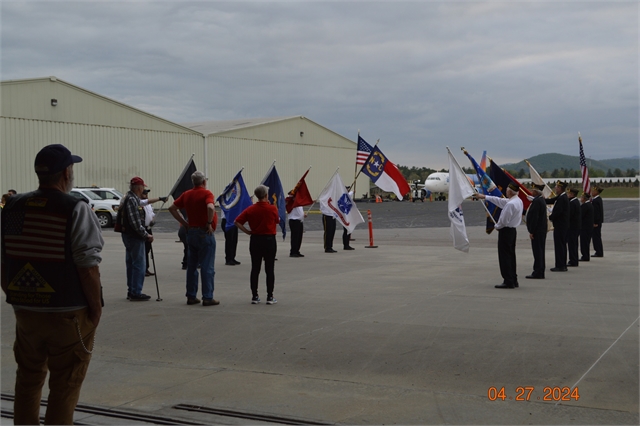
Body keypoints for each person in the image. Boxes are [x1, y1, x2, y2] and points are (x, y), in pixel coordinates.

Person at [1, 144, 103, 424]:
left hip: (25, 313)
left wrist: (18, 298)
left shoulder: (12, 206)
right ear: (67, 172)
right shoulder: (75, 208)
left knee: (28, 380)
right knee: (65, 385)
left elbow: (4, 259)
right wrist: (95, 310)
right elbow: (87, 267)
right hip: (67, 314)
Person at [168, 171, 219, 306]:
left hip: (191, 232)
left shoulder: (187, 194)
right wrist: (208, 222)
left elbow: (172, 208)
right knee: (207, 266)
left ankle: (191, 295)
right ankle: (207, 296)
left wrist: (185, 223)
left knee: (192, 266)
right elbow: (210, 207)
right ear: (204, 182)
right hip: (204, 232)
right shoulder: (207, 194)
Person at [235, 185, 280, 304]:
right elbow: (277, 220)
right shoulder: (272, 209)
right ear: (266, 196)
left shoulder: (250, 209)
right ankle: (270, 296)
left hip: (255, 239)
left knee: (255, 268)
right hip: (269, 239)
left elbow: (237, 222)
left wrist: (248, 232)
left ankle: (255, 295)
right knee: (269, 269)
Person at [474, 182, 523, 289]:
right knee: (511, 256)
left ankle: (508, 281)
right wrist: (484, 197)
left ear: (509, 191)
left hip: (505, 231)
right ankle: (513, 279)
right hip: (512, 231)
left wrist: (497, 226)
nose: (505, 191)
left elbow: (503, 221)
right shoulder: (517, 201)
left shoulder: (510, 204)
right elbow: (500, 201)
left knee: (504, 256)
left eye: (507, 190)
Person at [121, 177, 154, 301]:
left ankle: (132, 290)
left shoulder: (130, 198)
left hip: (128, 236)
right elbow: (135, 222)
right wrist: (146, 234)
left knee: (131, 263)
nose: (143, 190)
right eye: (143, 188)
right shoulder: (132, 200)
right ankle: (136, 292)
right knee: (139, 264)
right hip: (134, 236)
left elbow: (143, 203)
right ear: (139, 188)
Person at [140, 189, 168, 276]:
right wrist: (160, 198)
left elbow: (151, 214)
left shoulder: (148, 205)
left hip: (148, 228)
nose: (146, 194)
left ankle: (146, 268)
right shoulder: (140, 202)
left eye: (147, 193)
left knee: (147, 249)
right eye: (144, 193)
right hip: (142, 229)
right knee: (143, 250)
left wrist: (152, 220)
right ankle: (142, 269)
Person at [545, 180, 570, 272]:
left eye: (556, 187)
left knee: (560, 245)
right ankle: (562, 264)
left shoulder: (562, 198)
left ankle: (560, 265)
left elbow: (558, 212)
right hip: (562, 225)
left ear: (560, 188)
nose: (555, 188)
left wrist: (550, 217)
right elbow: (552, 200)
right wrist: (542, 199)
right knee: (561, 245)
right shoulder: (561, 197)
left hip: (560, 226)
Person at [525, 183, 547, 279]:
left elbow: (534, 218)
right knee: (540, 251)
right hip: (541, 230)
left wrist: (531, 231)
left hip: (537, 231)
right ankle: (540, 270)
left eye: (533, 190)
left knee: (538, 252)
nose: (531, 192)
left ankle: (538, 271)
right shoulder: (540, 200)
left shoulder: (537, 202)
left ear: (536, 192)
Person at [566, 188, 581, 267]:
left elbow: (570, 215)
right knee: (573, 244)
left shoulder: (572, 203)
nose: (568, 195)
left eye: (569, 194)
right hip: (575, 227)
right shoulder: (575, 202)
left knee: (572, 245)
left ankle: (573, 260)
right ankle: (573, 260)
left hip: (572, 227)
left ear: (572, 194)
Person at [580, 192, 594, 262]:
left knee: (584, 242)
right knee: (586, 242)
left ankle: (585, 256)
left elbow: (580, 215)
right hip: (588, 227)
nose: (580, 198)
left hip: (585, 227)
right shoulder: (589, 205)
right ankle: (585, 255)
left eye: (581, 197)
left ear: (584, 199)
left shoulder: (585, 206)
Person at [591, 186, 604, 257]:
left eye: (593, 191)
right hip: (598, 221)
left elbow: (596, 213)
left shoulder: (596, 201)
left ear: (596, 192)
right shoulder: (598, 199)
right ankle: (599, 251)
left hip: (596, 222)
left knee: (596, 237)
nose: (592, 192)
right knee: (597, 236)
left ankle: (598, 251)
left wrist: (595, 222)